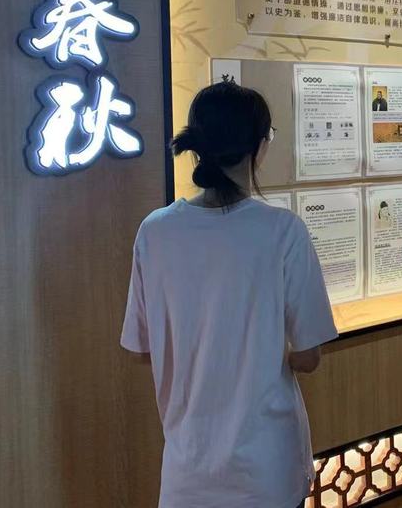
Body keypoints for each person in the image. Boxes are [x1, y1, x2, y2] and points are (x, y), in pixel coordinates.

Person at [120, 81, 337, 508]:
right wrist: (265, 352)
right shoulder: (282, 231)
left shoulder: (155, 231)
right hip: (268, 474)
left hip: (187, 477)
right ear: (258, 146)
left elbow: (142, 349)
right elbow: (309, 357)